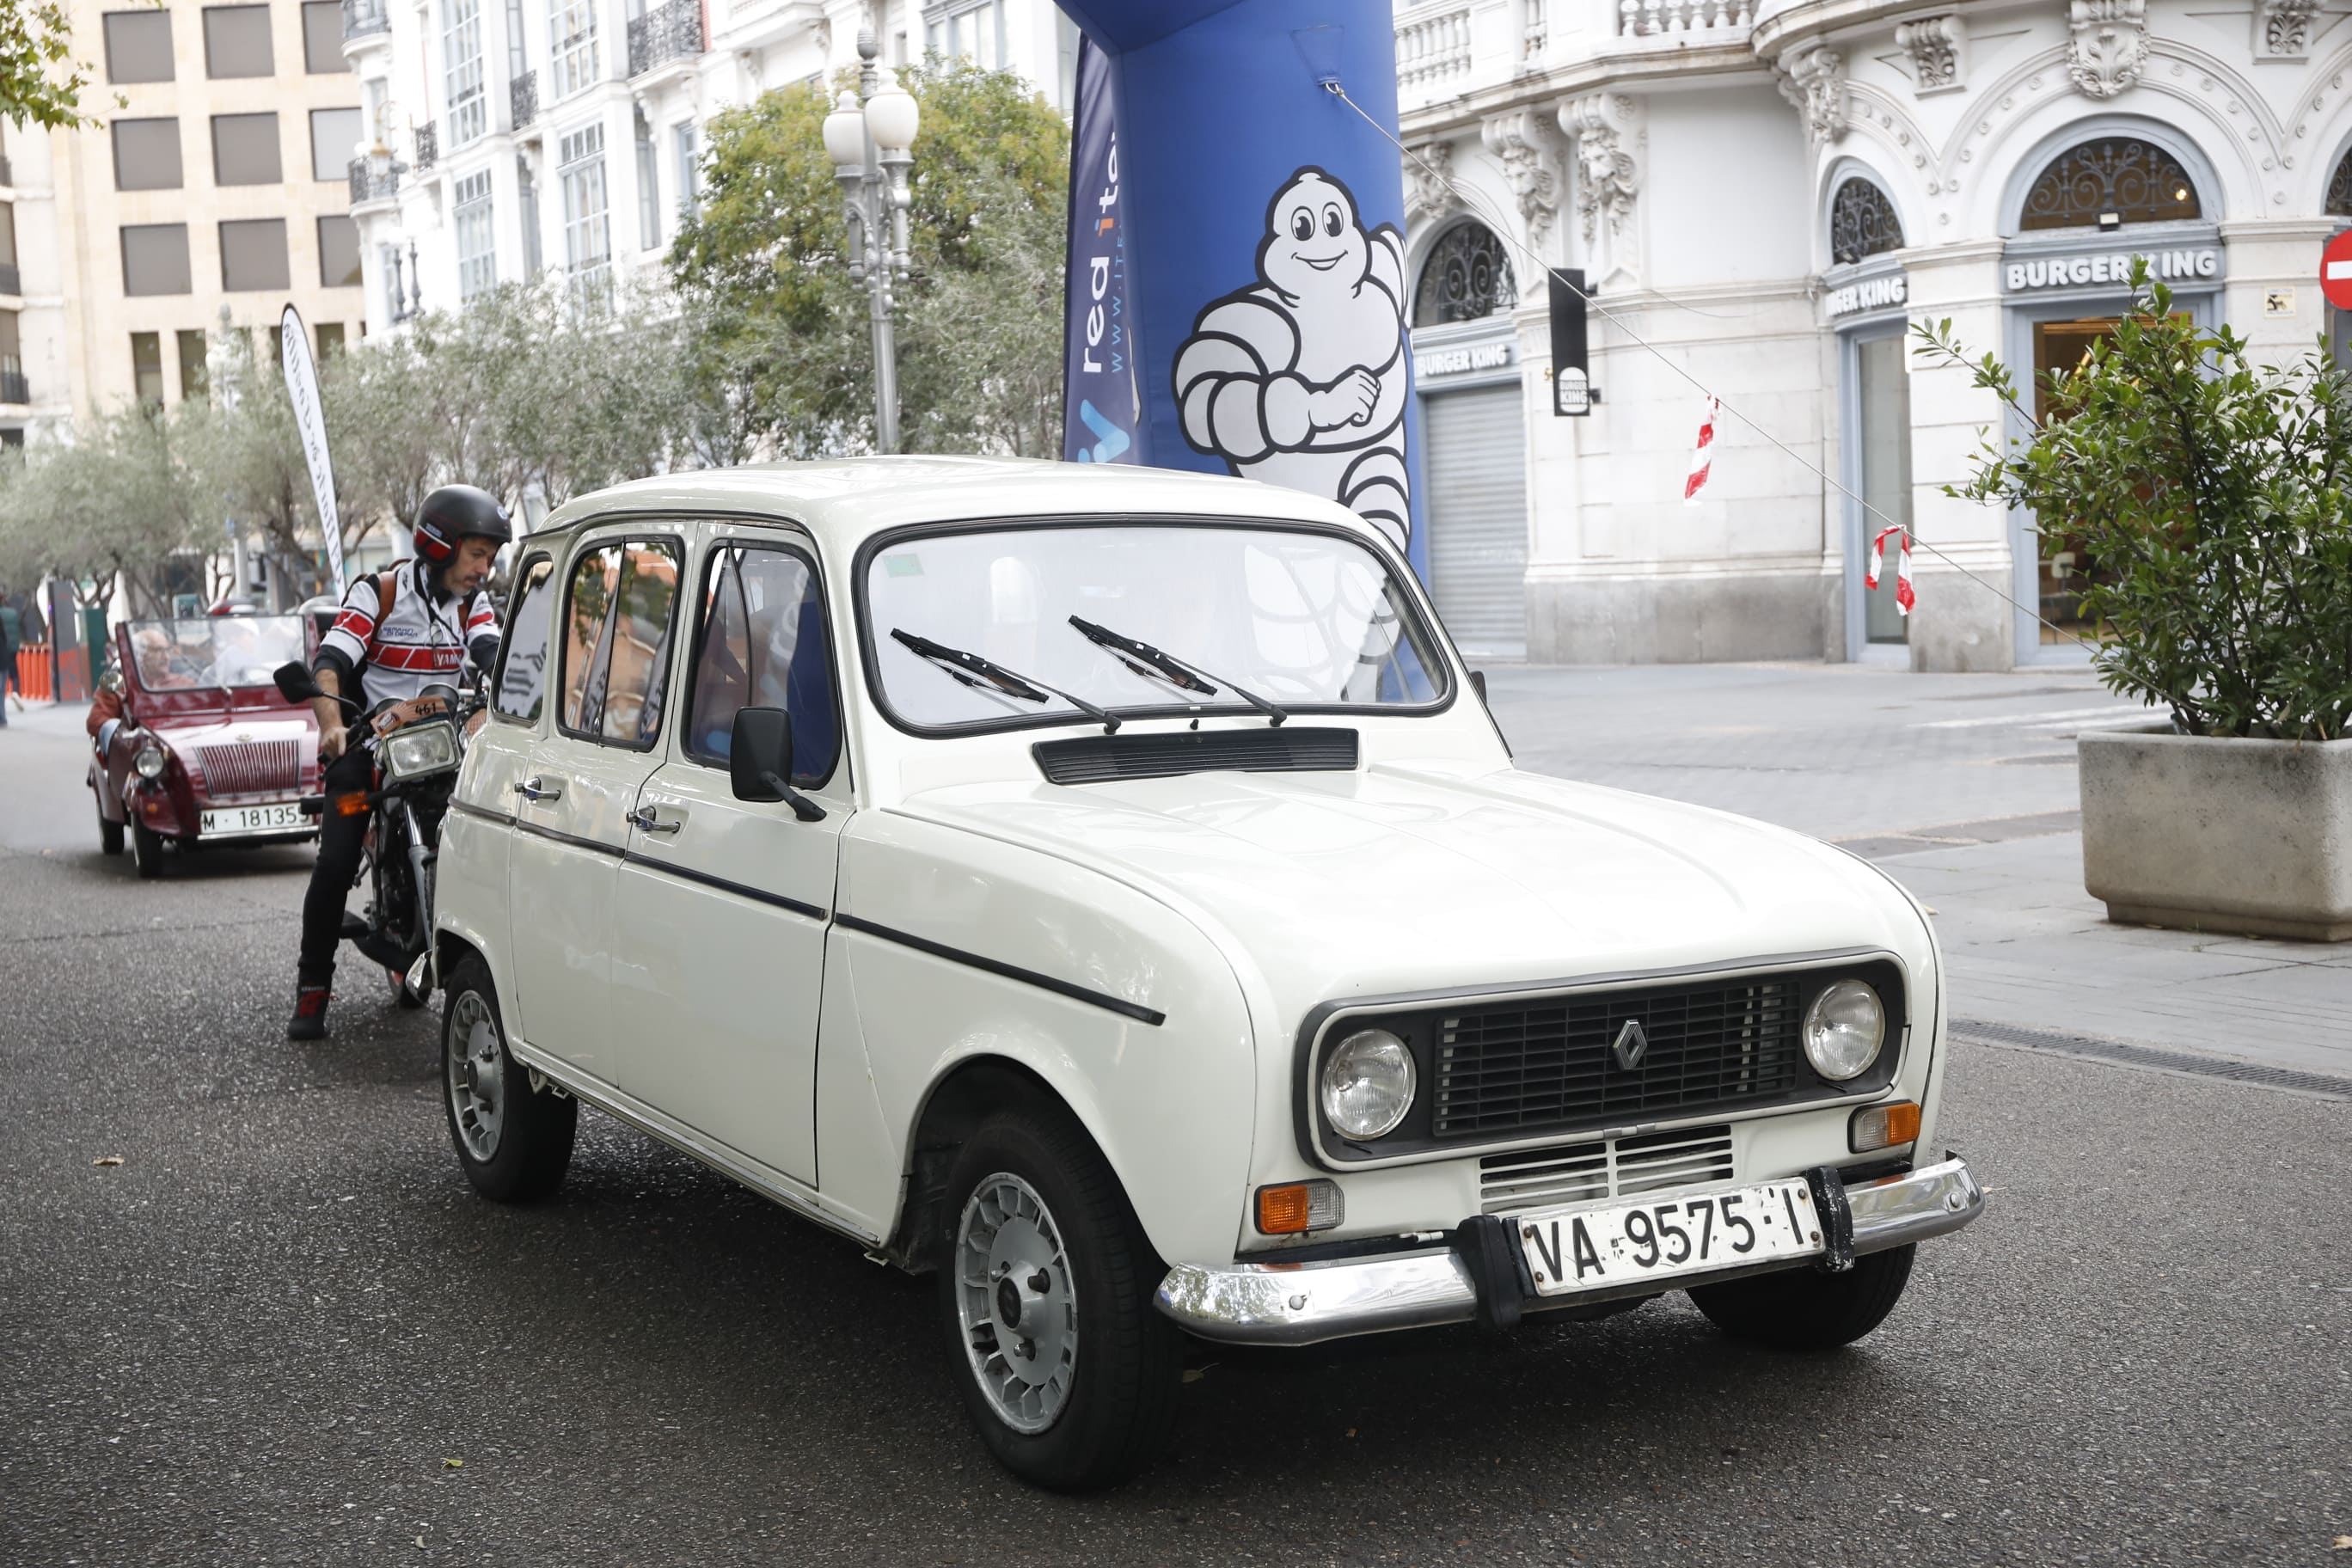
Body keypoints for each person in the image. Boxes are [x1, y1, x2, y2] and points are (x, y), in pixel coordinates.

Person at [288, 485, 509, 1042]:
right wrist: (331, 725)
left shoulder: (472, 604)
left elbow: (493, 657)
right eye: (477, 554)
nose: (484, 568)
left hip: (444, 745)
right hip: (371, 743)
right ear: (440, 546)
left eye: (490, 557)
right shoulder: (379, 593)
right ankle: (312, 987)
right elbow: (331, 663)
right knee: (336, 859)